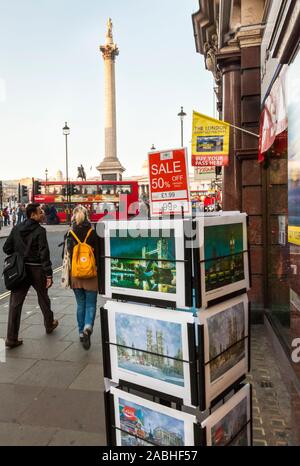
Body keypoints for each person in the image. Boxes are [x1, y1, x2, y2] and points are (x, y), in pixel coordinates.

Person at [3, 203, 58, 348]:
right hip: (37, 269)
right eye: (40, 212)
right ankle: (49, 324)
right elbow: (44, 254)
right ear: (32, 215)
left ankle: (11, 338)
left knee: (15, 304)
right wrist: (49, 275)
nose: (43, 214)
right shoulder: (40, 231)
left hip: (19, 270)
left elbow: (6, 248)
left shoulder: (16, 228)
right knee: (43, 298)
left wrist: (19, 253)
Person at [64, 205, 100, 350]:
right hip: (91, 274)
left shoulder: (70, 233)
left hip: (76, 275)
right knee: (91, 304)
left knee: (80, 304)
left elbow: (66, 256)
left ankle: (80, 333)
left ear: (73, 216)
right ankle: (87, 327)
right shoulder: (92, 232)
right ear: (86, 216)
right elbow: (98, 255)